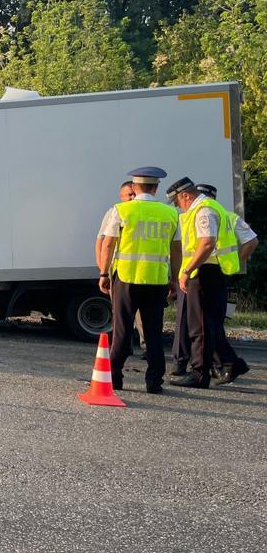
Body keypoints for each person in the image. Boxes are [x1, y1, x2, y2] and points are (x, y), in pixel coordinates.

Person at [97, 166, 181, 394]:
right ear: (156, 187)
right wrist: (173, 279)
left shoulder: (122, 210)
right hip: (156, 281)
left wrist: (104, 273)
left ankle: (115, 377)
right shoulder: (171, 213)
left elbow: (108, 243)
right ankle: (154, 382)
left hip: (126, 278)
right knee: (153, 332)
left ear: (134, 187)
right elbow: (176, 250)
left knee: (122, 330)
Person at [165, 177, 243, 388]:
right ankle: (230, 363)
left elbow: (207, 243)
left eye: (177, 202)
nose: (178, 207)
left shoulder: (203, 210)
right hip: (209, 272)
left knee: (198, 326)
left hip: (203, 273)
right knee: (207, 323)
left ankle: (200, 374)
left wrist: (188, 270)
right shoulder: (208, 208)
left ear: (185, 196)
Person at [96, 181, 144, 355]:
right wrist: (103, 268)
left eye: (134, 194)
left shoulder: (145, 211)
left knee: (142, 313)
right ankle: (124, 346)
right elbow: (102, 241)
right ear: (121, 196)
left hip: (143, 269)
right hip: (120, 270)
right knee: (120, 311)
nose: (132, 197)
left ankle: (145, 345)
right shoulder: (115, 212)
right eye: (128, 195)